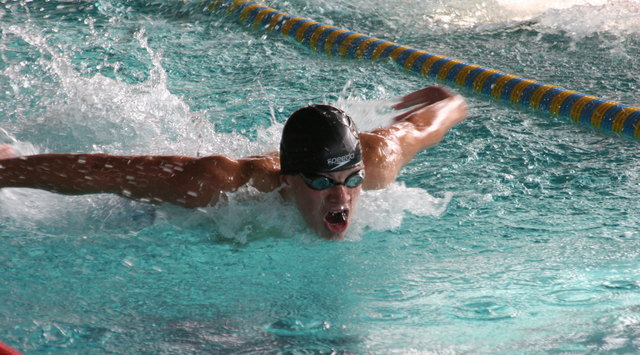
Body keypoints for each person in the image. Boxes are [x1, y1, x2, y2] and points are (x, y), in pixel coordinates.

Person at [0, 86, 467, 239]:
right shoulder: (219, 184)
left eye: (351, 179)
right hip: (156, 206)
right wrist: (10, 169)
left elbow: (433, 120)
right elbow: (104, 173)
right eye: (322, 182)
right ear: (289, 178)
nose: (341, 196)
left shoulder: (378, 161)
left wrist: (449, 98)